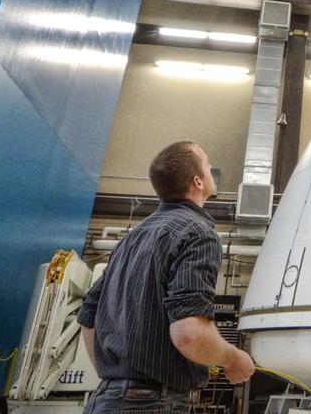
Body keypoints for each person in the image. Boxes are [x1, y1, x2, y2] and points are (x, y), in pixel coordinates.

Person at [77, 142, 254, 412]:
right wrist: (233, 358)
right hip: (152, 403)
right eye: (207, 165)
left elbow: (88, 316)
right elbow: (189, 335)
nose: (209, 169)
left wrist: (117, 375)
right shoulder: (198, 234)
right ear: (197, 181)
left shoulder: (132, 237)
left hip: (105, 399)